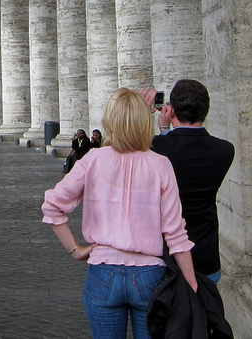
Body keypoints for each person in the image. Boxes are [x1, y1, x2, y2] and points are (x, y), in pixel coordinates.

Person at [42, 88, 199, 339]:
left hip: (103, 271)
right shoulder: (161, 164)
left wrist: (76, 250)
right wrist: (191, 283)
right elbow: (175, 232)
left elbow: (52, 206)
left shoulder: (94, 159)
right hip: (149, 275)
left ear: (110, 122)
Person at [146, 80, 235, 285]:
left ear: (172, 110)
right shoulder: (225, 150)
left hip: (165, 256)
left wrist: (161, 128)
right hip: (206, 255)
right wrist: (166, 132)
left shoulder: (157, 147)